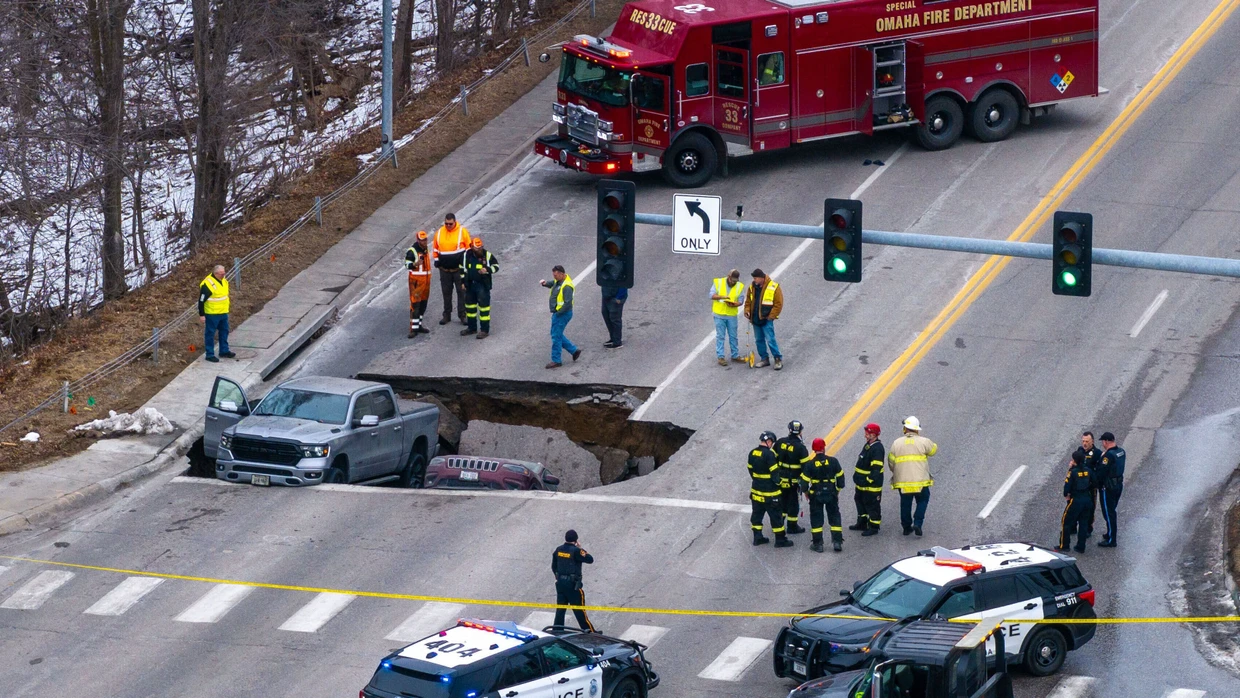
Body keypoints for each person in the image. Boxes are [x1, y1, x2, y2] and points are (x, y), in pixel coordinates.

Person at [887, 416, 938, 536]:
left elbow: (891, 462)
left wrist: (897, 473)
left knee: (905, 503)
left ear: (905, 429)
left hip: (903, 481)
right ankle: (918, 523)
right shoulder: (924, 441)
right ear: (917, 429)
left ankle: (906, 527)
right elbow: (933, 451)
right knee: (923, 500)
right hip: (920, 481)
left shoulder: (896, 443)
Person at [749, 431, 792, 548]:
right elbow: (775, 475)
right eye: (771, 443)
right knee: (776, 516)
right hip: (771, 494)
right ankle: (780, 540)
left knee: (757, 515)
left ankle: (757, 537)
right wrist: (781, 483)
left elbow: (751, 471)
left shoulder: (752, 453)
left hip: (756, 492)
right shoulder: (769, 455)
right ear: (769, 442)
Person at [802, 438, 845, 552]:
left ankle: (818, 544)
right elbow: (841, 480)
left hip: (816, 495)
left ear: (813, 450)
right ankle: (837, 543)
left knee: (816, 519)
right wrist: (837, 491)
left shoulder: (809, 464)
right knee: (834, 517)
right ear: (824, 448)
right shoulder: (833, 461)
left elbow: (804, 483)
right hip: (831, 493)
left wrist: (806, 493)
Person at [551, 530, 596, 631]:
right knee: (579, 610)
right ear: (576, 540)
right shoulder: (576, 551)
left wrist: (558, 576)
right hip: (572, 585)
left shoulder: (558, 549)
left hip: (560, 584)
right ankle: (590, 632)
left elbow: (553, 566)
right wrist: (580, 548)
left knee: (560, 609)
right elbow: (590, 559)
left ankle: (557, 630)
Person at [432, 212, 472, 325]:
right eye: (446, 224)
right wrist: (436, 260)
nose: (448, 226)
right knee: (446, 293)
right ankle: (447, 315)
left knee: (462, 292)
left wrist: (467, 264)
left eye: (450, 224)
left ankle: (462, 315)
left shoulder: (462, 231)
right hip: (444, 270)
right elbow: (435, 248)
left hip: (458, 270)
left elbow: (468, 248)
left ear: (455, 222)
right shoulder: (439, 233)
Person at [774, 420, 812, 534]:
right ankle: (792, 526)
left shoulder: (780, 442)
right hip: (793, 482)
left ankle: (778, 523)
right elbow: (806, 468)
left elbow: (773, 460)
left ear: (789, 429)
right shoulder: (801, 448)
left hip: (780, 480)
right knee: (793, 504)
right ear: (800, 432)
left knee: (781, 503)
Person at [540, 265, 581, 369]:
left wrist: (558, 313)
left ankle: (556, 360)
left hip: (562, 314)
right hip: (559, 313)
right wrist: (545, 284)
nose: (555, 277)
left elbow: (568, 304)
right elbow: (553, 284)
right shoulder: (559, 281)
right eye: (554, 275)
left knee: (556, 337)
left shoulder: (567, 287)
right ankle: (574, 350)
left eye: (556, 275)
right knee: (556, 334)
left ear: (562, 274)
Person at [849, 423, 885, 536]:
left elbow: (876, 468)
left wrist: (868, 480)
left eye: (868, 433)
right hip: (861, 484)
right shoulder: (868, 445)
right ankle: (862, 523)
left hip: (871, 485)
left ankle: (874, 527)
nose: (865, 435)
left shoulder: (877, 448)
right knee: (860, 501)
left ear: (874, 434)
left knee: (872, 504)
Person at [744, 268, 784, 370]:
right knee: (759, 340)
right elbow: (748, 301)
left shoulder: (774, 287)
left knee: (770, 340)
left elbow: (778, 304)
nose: (754, 280)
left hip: (766, 319)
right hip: (756, 319)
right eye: (754, 278)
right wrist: (747, 310)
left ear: (762, 278)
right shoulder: (752, 287)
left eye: (756, 278)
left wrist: (771, 317)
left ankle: (777, 359)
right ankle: (764, 359)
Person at [461, 238, 499, 338]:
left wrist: (487, 269)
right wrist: (462, 282)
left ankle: (484, 330)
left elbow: (496, 266)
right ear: (472, 247)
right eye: (477, 248)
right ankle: (471, 328)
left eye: (481, 247)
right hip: (470, 285)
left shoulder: (487, 255)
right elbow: (462, 268)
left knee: (484, 309)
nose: (480, 250)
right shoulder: (466, 255)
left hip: (482, 285)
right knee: (470, 308)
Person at [1058, 450, 1094, 553]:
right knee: (1083, 524)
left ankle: (1064, 545)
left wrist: (1067, 495)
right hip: (1087, 500)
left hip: (1076, 500)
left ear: (1074, 461)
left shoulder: (1072, 472)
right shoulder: (1088, 470)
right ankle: (1080, 547)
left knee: (1066, 521)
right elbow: (1094, 482)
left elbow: (1067, 488)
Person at [198, 265, 234, 363]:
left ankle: (224, 350)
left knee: (224, 331)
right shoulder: (208, 284)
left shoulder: (223, 280)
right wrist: (202, 315)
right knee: (210, 334)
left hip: (223, 312)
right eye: (222, 273)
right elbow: (201, 301)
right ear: (216, 273)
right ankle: (209, 354)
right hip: (212, 313)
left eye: (224, 272)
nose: (224, 275)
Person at [711, 269, 746, 366]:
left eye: (735, 281)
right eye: (732, 280)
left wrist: (735, 304)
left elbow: (741, 300)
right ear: (728, 277)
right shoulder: (718, 282)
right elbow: (712, 295)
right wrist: (723, 297)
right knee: (720, 336)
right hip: (719, 314)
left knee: (733, 336)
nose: (733, 282)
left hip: (731, 315)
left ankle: (735, 355)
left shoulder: (739, 286)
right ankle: (720, 357)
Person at [1096, 432, 1126, 548]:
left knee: (1109, 513)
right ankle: (1109, 533)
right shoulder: (1121, 452)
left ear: (1106, 441)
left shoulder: (1107, 456)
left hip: (1108, 487)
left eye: (1103, 442)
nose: (1103, 444)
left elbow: (1101, 472)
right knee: (1111, 510)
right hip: (1118, 485)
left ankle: (1111, 540)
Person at [1074, 431, 1103, 539]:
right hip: (1078, 486)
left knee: (1090, 508)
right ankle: (1074, 525)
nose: (1084, 443)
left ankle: (1088, 528)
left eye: (1087, 441)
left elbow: (1099, 470)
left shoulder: (1097, 453)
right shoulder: (1080, 451)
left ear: (1092, 442)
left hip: (1090, 487)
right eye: (1083, 441)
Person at [404, 231, 433, 338]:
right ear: (418, 240)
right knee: (415, 305)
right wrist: (415, 264)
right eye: (422, 240)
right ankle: (413, 328)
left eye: (425, 239)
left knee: (423, 304)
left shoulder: (425, 250)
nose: (424, 241)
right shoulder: (412, 251)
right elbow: (407, 265)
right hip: (416, 282)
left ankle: (418, 325)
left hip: (425, 281)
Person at [601, 284, 627, 348]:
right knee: (606, 314)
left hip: (616, 295)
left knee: (614, 318)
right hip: (607, 294)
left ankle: (617, 341)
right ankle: (613, 338)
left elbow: (625, 281)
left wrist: (619, 297)